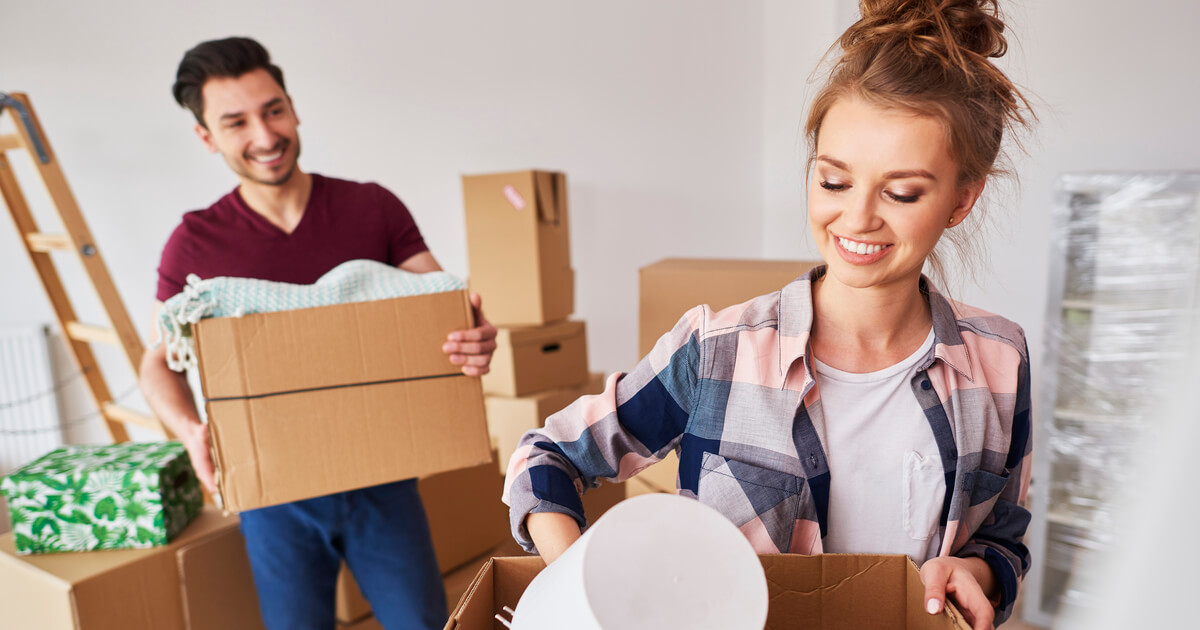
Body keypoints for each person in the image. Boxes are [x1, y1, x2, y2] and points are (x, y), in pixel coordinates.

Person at [501, 1, 1033, 628]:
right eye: (834, 182)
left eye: (901, 192)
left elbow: (1003, 536)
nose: (857, 218)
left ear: (961, 199)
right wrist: (583, 585)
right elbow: (546, 458)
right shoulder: (717, 351)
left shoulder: (1000, 359)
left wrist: (977, 572)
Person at [138, 37, 497, 630]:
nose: (264, 135)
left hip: (384, 480)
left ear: (293, 106)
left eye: (273, 109)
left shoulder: (371, 209)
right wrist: (190, 431)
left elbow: (441, 303)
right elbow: (159, 362)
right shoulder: (196, 244)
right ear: (207, 136)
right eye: (236, 122)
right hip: (273, 494)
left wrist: (473, 331)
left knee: (424, 623)